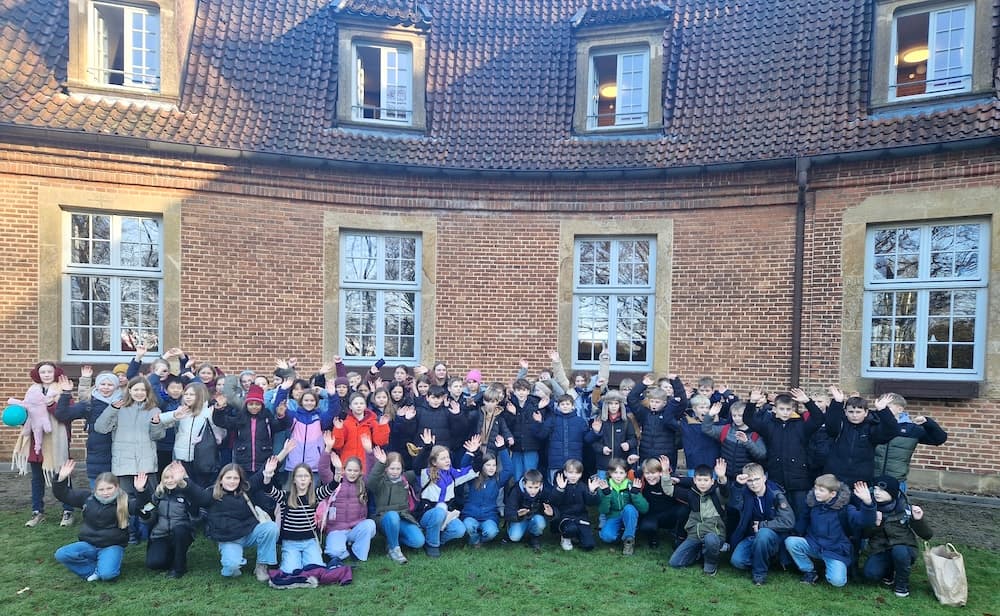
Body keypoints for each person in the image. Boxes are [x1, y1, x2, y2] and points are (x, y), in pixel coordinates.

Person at [52, 459, 148, 582]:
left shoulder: (125, 501)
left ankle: (103, 566)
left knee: (108, 574)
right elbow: (63, 495)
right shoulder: (87, 498)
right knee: (62, 554)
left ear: (117, 487)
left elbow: (145, 509)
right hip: (89, 544)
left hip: (112, 546)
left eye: (109, 488)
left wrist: (141, 491)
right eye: (101, 490)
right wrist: (61, 478)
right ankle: (92, 571)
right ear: (95, 489)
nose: (105, 493)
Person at [190, 460, 279, 581]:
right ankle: (233, 562)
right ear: (221, 479)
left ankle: (262, 565)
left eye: (236, 478)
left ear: (240, 480)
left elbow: (262, 474)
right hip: (229, 539)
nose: (232, 481)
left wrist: (282, 455)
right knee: (232, 568)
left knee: (271, 528)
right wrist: (183, 481)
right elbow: (195, 492)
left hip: (249, 533)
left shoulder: (245, 489)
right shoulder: (212, 494)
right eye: (228, 478)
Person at [744, 388, 824, 519]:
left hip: (799, 478)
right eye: (782, 409)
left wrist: (807, 402)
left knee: (800, 514)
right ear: (775, 409)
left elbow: (819, 419)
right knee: (778, 514)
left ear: (793, 409)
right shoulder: (768, 425)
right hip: (777, 477)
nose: (785, 412)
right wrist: (752, 402)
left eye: (788, 409)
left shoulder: (801, 425)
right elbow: (749, 420)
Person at [784, 474, 875, 587]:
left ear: (833, 494)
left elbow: (865, 521)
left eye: (821, 490)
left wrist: (868, 503)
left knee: (837, 581)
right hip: (814, 545)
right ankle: (810, 571)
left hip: (835, 550)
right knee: (791, 542)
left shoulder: (846, 509)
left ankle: (831, 568)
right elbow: (803, 520)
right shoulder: (813, 504)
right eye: (816, 488)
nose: (816, 492)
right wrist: (796, 532)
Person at [14, 361, 74, 528]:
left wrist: (50, 405)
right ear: (37, 374)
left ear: (55, 373)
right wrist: (20, 418)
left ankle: (68, 510)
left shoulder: (63, 390)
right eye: (43, 372)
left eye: (49, 371)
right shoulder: (32, 390)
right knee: (37, 478)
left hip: (57, 440)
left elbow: (66, 414)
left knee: (63, 475)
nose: (46, 375)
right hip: (36, 442)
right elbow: (27, 414)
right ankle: (37, 512)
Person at [266, 442, 338, 574]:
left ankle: (308, 559)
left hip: (310, 541)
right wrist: (268, 475)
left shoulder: (315, 495)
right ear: (294, 480)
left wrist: (338, 470)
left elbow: (332, 486)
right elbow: (269, 489)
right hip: (290, 542)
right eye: (299, 476)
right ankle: (294, 560)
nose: (303, 479)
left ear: (311, 479)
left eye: (306, 476)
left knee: (316, 570)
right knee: (290, 571)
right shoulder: (285, 497)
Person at [861, 475, 933, 598]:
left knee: (899, 551)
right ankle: (888, 573)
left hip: (904, 548)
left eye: (882, 490)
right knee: (870, 574)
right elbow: (863, 535)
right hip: (881, 548)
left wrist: (918, 520)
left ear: (892, 492)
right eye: (876, 489)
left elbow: (927, 535)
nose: (877, 493)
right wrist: (875, 524)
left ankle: (902, 585)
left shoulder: (905, 509)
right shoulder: (871, 506)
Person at [728, 463, 796, 586]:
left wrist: (762, 525)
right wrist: (738, 485)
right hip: (751, 536)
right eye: (750, 481)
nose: (754, 484)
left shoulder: (776, 494)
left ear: (764, 478)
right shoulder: (745, 493)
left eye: (757, 479)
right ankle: (767, 560)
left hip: (774, 536)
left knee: (763, 533)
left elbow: (788, 521)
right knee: (737, 561)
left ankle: (759, 574)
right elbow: (734, 505)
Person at [414, 436, 481, 557]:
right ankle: (432, 545)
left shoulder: (453, 474)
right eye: (443, 458)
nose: (447, 461)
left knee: (459, 530)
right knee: (439, 511)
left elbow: (474, 470)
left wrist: (476, 452)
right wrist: (428, 447)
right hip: (427, 514)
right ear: (434, 462)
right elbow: (417, 465)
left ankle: (434, 539)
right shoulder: (426, 473)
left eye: (448, 458)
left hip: (445, 514)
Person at [54, 372, 119, 491]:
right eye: (103, 384)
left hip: (120, 453)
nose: (106, 387)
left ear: (116, 386)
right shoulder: (89, 403)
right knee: (99, 490)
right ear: (97, 385)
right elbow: (63, 415)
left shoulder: (124, 402)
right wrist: (66, 394)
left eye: (110, 385)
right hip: (98, 453)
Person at [824, 388, 899, 488]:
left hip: (861, 479)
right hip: (836, 476)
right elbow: (831, 425)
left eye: (858, 412)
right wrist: (837, 403)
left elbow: (892, 431)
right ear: (845, 412)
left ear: (866, 412)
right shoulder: (841, 424)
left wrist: (883, 410)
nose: (854, 415)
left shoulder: (871, 427)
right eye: (851, 412)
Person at [872, 393, 948, 492]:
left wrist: (928, 422)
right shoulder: (872, 425)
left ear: (900, 409)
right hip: (872, 479)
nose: (882, 409)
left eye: (887, 407)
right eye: (880, 406)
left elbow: (939, 439)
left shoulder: (911, 429)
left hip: (897, 481)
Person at [669, 459, 729, 575]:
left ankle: (711, 563)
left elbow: (725, 492)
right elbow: (669, 490)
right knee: (674, 562)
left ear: (712, 481)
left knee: (710, 539)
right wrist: (666, 475)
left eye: (706, 480)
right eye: (699, 480)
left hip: (714, 534)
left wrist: (722, 477)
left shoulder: (717, 494)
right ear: (694, 481)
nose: (702, 483)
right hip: (695, 534)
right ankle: (699, 553)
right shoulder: (691, 494)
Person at [142, 461, 199, 578]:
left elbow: (197, 515)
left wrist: (191, 522)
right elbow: (148, 514)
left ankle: (179, 568)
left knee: (179, 531)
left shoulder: (187, 493)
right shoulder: (158, 495)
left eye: (173, 477)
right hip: (161, 534)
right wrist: (144, 511)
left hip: (181, 532)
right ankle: (171, 555)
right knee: (154, 563)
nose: (169, 480)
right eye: (166, 478)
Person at [368, 447, 423, 564]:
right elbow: (370, 483)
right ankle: (394, 549)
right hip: (384, 518)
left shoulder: (406, 478)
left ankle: (392, 540)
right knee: (392, 516)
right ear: (386, 468)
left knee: (418, 541)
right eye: (392, 468)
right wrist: (381, 463)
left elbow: (419, 469)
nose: (395, 471)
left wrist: (425, 448)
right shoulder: (380, 481)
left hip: (403, 516)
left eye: (398, 468)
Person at [320, 455, 376, 563]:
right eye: (349, 470)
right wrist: (327, 450)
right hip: (337, 529)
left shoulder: (363, 483)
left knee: (370, 525)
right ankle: (344, 549)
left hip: (355, 528)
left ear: (360, 472)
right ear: (344, 470)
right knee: (334, 553)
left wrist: (369, 452)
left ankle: (357, 553)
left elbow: (371, 470)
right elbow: (323, 470)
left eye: (356, 471)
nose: (352, 473)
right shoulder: (336, 482)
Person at [460, 445, 514, 547]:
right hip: (471, 515)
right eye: (488, 465)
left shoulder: (497, 480)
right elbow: (463, 467)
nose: (491, 468)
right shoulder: (473, 478)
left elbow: (509, 470)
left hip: (489, 517)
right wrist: (470, 453)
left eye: (494, 465)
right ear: (482, 466)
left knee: (492, 532)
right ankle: (475, 541)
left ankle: (481, 539)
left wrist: (502, 448)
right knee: (468, 526)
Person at [533, 394, 590, 483]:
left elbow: (587, 439)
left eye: (567, 404)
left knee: (573, 487)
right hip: (556, 462)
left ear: (573, 406)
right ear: (558, 406)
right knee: (556, 487)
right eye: (562, 404)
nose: (565, 406)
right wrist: (538, 423)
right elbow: (541, 435)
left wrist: (595, 432)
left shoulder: (580, 421)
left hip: (574, 462)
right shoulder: (552, 420)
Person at [598, 458, 649, 556]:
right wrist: (606, 495)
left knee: (629, 508)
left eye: (621, 473)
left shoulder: (631, 485)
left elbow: (644, 509)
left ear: (626, 474)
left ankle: (628, 540)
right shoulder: (605, 486)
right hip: (613, 516)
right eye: (615, 472)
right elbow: (603, 510)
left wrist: (635, 493)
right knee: (606, 536)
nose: (618, 476)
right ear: (610, 473)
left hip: (628, 514)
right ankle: (623, 535)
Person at [330, 392, 390, 473]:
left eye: (361, 403)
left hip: (366, 465)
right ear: (350, 406)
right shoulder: (344, 424)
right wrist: (338, 429)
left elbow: (380, 442)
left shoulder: (372, 423)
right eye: (356, 403)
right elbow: (337, 445)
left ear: (365, 406)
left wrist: (383, 426)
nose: (359, 406)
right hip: (347, 465)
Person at [636, 456, 688, 549]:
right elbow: (628, 472)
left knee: (684, 510)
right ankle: (653, 537)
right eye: (647, 473)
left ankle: (680, 536)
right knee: (647, 526)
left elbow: (691, 483)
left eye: (653, 473)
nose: (650, 476)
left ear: (660, 472)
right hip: (651, 514)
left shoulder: (670, 480)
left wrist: (669, 474)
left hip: (669, 515)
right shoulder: (642, 482)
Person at [551, 460, 601, 551]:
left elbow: (591, 503)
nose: (573, 476)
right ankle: (565, 537)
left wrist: (592, 492)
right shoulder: (560, 485)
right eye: (570, 472)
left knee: (589, 545)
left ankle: (577, 535)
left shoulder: (583, 486)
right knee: (570, 529)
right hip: (565, 517)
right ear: (565, 473)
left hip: (581, 517)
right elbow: (554, 501)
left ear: (581, 474)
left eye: (577, 473)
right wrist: (560, 489)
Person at [504, 468, 557, 553]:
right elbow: (508, 512)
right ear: (524, 484)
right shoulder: (516, 491)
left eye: (536, 487)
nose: (533, 491)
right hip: (519, 519)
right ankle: (511, 530)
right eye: (530, 487)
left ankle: (534, 536)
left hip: (535, 518)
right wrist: (518, 514)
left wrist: (551, 513)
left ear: (540, 485)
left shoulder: (545, 491)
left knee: (540, 522)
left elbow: (554, 507)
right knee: (514, 537)